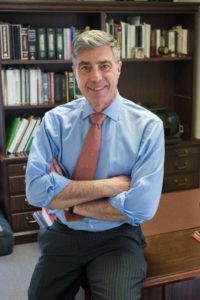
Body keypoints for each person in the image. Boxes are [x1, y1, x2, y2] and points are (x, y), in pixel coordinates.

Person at [26, 30, 165, 300]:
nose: (96, 77)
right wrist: (112, 186)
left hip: (117, 239)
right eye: (85, 67)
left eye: (104, 66)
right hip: (64, 233)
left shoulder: (148, 127)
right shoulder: (54, 122)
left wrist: (66, 198)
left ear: (119, 68)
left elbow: (141, 207)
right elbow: (35, 192)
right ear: (74, 71)